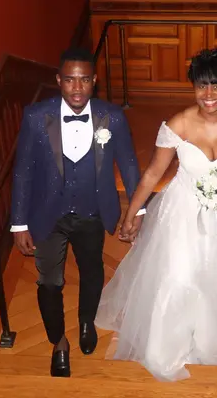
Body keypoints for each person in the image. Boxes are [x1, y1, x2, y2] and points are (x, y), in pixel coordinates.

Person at [94, 48, 217, 381]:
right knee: (179, 273)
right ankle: (167, 343)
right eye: (202, 86)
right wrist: (133, 212)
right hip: (181, 212)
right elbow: (153, 173)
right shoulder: (179, 124)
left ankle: (214, 333)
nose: (209, 94)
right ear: (193, 87)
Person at [10, 47, 145, 378]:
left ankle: (87, 321)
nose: (77, 88)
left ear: (94, 81)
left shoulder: (112, 116)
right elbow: (23, 171)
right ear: (59, 80)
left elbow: (129, 164)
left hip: (92, 211)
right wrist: (18, 223)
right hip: (47, 214)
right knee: (49, 281)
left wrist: (138, 209)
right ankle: (58, 342)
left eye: (84, 80)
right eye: (70, 80)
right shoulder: (35, 116)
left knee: (92, 269)